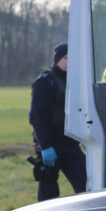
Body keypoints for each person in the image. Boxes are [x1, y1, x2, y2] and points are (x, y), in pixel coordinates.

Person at [29, 42, 86, 201]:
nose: (69, 61)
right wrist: (45, 147)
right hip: (50, 145)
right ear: (57, 60)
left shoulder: (76, 81)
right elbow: (36, 116)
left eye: (72, 58)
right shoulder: (45, 82)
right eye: (66, 57)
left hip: (71, 143)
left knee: (87, 186)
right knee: (49, 192)